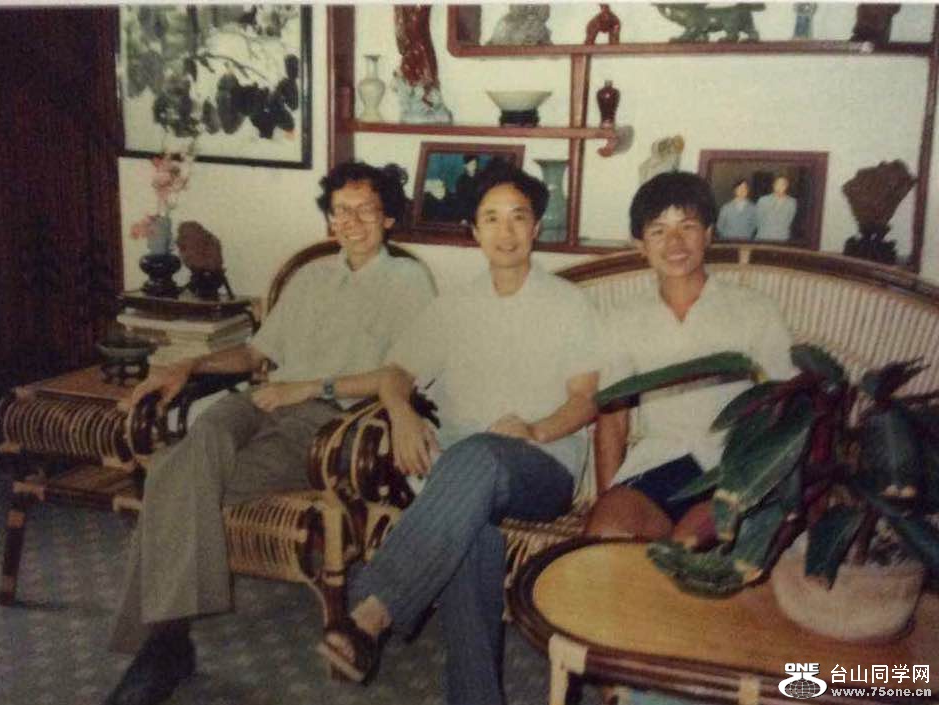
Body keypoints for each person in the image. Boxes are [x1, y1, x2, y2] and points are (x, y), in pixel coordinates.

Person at [104, 161, 437, 705]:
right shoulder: (311, 277)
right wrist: (189, 366)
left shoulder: (409, 282)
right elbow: (256, 353)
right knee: (201, 440)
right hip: (261, 402)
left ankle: (165, 642)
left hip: (328, 423)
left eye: (366, 210)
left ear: (389, 219)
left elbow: (400, 373)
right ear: (329, 219)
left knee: (170, 474)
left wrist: (308, 387)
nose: (352, 222)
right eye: (341, 211)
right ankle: (167, 642)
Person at [315, 160, 600, 705]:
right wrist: (402, 415)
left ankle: (373, 611)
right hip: (458, 472)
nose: (505, 231)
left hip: (540, 464)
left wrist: (535, 428)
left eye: (518, 217)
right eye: (491, 218)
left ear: (536, 226)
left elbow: (586, 399)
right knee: (473, 533)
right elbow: (396, 373)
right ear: (473, 230)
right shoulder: (454, 304)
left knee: (479, 456)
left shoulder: (568, 304)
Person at [586, 171, 796, 543]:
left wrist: (763, 484)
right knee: (605, 534)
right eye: (658, 231)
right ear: (640, 245)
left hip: (731, 469)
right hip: (657, 463)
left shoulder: (754, 310)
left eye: (687, 227)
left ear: (709, 234)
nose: (675, 243)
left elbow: (788, 405)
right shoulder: (622, 318)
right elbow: (612, 419)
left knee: (687, 544)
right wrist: (607, 498)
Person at [755, 174, 797, 240]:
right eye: (778, 184)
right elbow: (758, 220)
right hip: (763, 236)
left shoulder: (792, 202)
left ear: (787, 186)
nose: (780, 187)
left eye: (783, 185)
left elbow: (789, 221)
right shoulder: (763, 200)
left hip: (782, 237)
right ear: (774, 185)